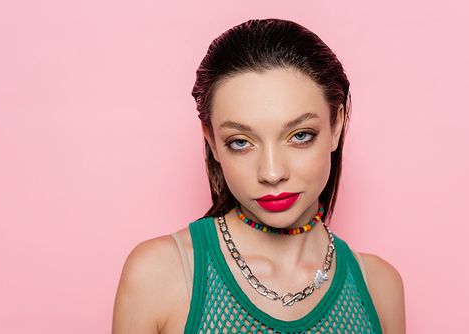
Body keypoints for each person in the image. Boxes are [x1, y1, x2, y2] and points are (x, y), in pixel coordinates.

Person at [112, 19, 405, 334]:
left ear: (336, 126)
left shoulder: (379, 288)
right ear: (211, 140)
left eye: (300, 135)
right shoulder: (159, 275)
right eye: (240, 142)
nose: (272, 173)